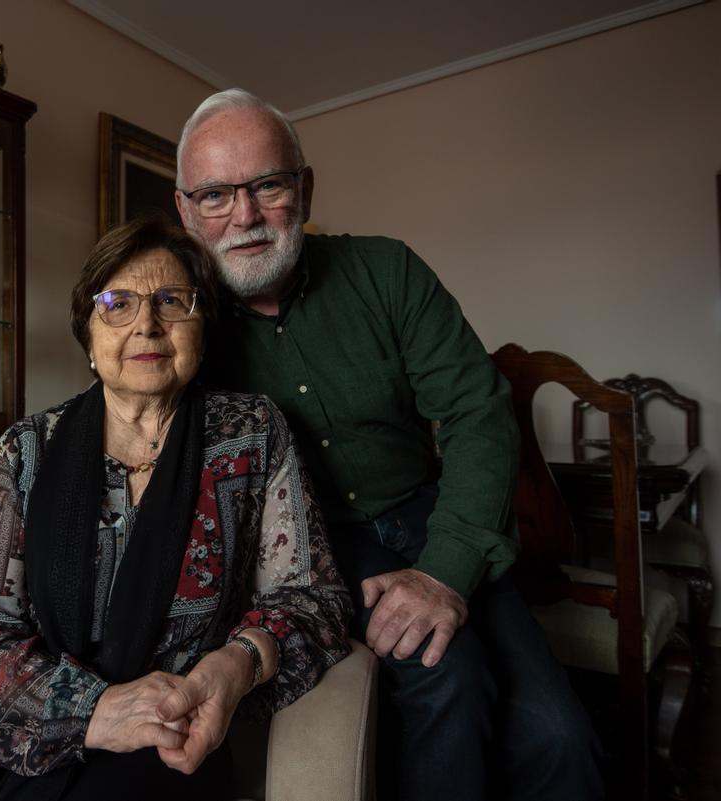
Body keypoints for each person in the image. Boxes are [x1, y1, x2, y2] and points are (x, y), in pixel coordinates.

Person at [174, 88, 602, 801]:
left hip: (436, 514)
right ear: (186, 209)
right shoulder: (180, 315)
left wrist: (446, 569)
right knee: (447, 675)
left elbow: (478, 409)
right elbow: (121, 423)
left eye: (268, 185)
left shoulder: (388, 270)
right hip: (317, 547)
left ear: (304, 188)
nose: (243, 216)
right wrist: (19, 541)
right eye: (215, 195)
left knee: (559, 736)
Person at [0, 216, 352, 801]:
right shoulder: (27, 447)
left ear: (203, 328)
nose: (147, 325)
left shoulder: (254, 434)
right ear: (88, 333)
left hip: (168, 710)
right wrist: (94, 708)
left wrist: (238, 663)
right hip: (11, 687)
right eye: (118, 303)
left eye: (171, 301)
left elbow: (313, 598)